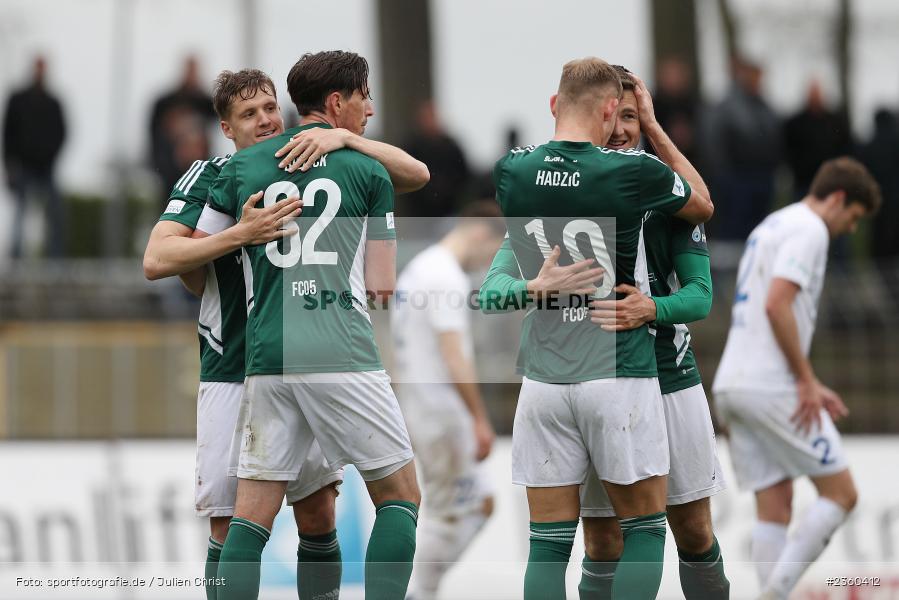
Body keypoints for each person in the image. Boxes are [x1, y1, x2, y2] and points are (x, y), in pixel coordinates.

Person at [143, 65, 428, 600]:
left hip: (287, 358)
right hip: (234, 368)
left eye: (271, 107)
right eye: (249, 114)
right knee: (230, 523)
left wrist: (343, 136)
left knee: (319, 510)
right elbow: (161, 259)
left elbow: (411, 175)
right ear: (227, 128)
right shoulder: (216, 174)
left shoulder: (311, 154)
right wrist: (240, 234)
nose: (266, 120)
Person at [480, 67, 729, 600]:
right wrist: (532, 287)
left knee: (693, 528)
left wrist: (652, 307)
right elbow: (497, 285)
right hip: (615, 376)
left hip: (667, 376)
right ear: (603, 111)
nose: (619, 130)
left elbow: (701, 295)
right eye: (616, 116)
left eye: (633, 119)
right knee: (602, 539)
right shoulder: (600, 185)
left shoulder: (659, 194)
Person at [712, 157, 881, 600]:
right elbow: (776, 303)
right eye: (854, 217)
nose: (851, 228)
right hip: (771, 384)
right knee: (842, 494)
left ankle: (774, 591)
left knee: (775, 504)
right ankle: (775, 596)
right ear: (839, 199)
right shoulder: (810, 230)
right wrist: (806, 380)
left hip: (733, 384)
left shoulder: (772, 224)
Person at [391, 201, 504, 600]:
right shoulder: (444, 275)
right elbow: (453, 355)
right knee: (467, 508)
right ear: (479, 233)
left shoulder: (419, 268)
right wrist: (478, 418)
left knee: (459, 507)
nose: (487, 263)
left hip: (421, 406)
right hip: (441, 410)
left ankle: (420, 591)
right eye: (493, 252)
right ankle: (417, 593)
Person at [706, 57, 781, 241]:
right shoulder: (727, 107)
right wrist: (723, 174)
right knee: (734, 229)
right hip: (736, 180)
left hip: (763, 177)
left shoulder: (765, 107)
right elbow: (715, 142)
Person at [2, 55, 67, 258]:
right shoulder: (18, 99)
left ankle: (54, 260)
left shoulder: (53, 102)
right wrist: (10, 165)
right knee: (21, 213)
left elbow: (62, 132)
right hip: (23, 166)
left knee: (55, 213)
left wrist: (51, 156)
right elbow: (8, 134)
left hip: (46, 167)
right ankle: (16, 258)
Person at [148, 56, 218, 207]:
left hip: (200, 170)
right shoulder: (165, 102)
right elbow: (152, 135)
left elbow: (218, 118)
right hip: (170, 171)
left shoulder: (205, 103)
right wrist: (157, 162)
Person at [783, 81, 852, 198]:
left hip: (830, 182)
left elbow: (846, 147)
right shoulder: (795, 123)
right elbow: (788, 149)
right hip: (803, 182)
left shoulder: (835, 121)